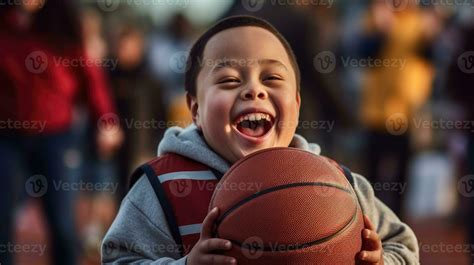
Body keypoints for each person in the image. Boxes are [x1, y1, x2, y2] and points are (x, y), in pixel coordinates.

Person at [102, 16, 419, 265]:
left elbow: (403, 245)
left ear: (296, 104)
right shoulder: (163, 186)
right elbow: (120, 259)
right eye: (228, 80)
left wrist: (381, 262)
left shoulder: (337, 184)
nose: (254, 90)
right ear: (195, 109)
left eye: (272, 78)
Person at [0, 1, 122, 264]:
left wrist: (106, 120)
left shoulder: (63, 25)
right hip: (7, 138)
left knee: (63, 224)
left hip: (56, 137)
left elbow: (91, 78)